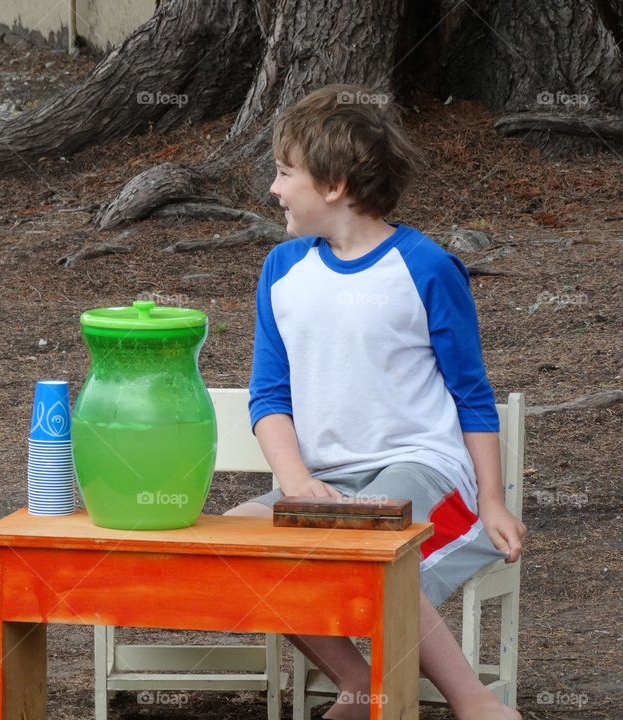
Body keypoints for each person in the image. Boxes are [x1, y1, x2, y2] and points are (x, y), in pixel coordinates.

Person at [226, 85, 526, 720]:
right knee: (241, 542)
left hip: (422, 468)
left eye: (285, 173)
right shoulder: (281, 271)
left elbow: (471, 395)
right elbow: (269, 395)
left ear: (334, 184)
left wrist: (493, 501)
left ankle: (473, 702)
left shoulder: (426, 267)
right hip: (325, 479)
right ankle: (362, 687)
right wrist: (297, 481)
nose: (274, 190)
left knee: (364, 539)